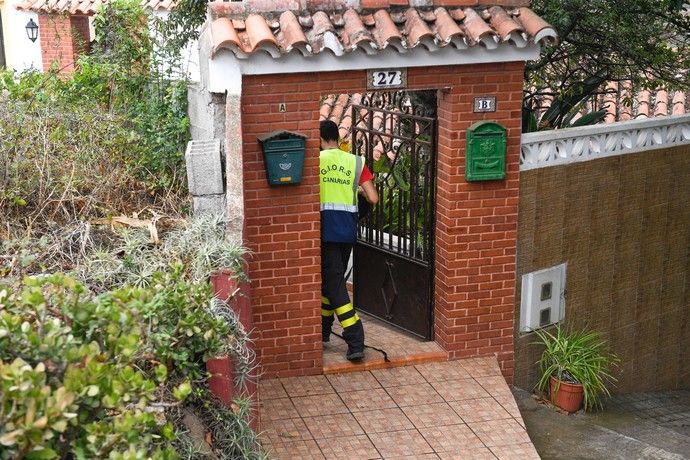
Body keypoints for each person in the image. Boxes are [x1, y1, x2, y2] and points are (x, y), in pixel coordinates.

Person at [319, 120, 378, 361]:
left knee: (335, 285)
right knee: (330, 281)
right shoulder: (355, 161)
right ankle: (322, 330)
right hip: (347, 232)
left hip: (325, 232)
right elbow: (373, 198)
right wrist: (357, 190)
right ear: (336, 137)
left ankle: (355, 339)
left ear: (320, 139)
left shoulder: (316, 162)